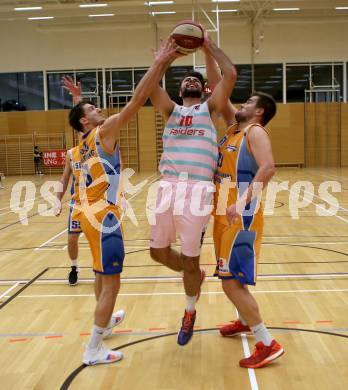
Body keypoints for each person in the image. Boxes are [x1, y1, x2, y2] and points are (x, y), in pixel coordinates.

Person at [67, 39, 181, 365]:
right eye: (91, 109)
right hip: (104, 216)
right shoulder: (104, 130)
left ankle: (103, 325)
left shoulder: (85, 140)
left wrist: (77, 101)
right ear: (86, 122)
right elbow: (137, 101)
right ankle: (94, 348)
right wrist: (160, 63)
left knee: (101, 277)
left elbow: (78, 119)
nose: (97, 108)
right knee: (112, 284)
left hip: (89, 216)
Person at [149, 32, 237, 346]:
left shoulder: (210, 110)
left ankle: (188, 311)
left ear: (203, 90)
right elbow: (151, 87)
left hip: (198, 191)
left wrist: (208, 46)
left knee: (189, 257)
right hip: (168, 186)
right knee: (156, 252)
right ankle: (194, 273)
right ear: (181, 88)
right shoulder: (170, 110)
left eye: (196, 79)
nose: (191, 81)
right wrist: (165, 59)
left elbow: (231, 74)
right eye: (187, 79)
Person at [205, 52, 284, 368]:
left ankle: (267, 342)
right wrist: (207, 50)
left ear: (259, 111)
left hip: (242, 213)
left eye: (248, 102)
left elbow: (269, 168)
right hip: (223, 212)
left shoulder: (255, 132)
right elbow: (217, 85)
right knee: (230, 275)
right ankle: (242, 320)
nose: (241, 105)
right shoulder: (233, 130)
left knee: (230, 282)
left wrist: (242, 200)